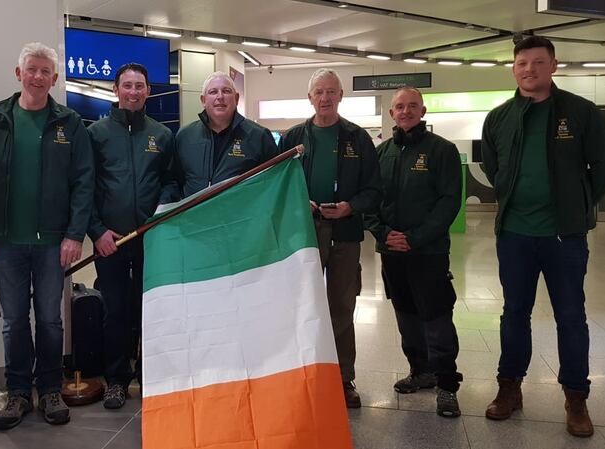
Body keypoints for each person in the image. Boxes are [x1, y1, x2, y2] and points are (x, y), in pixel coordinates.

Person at [481, 36, 605, 437]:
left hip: (565, 237)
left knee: (571, 318)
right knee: (513, 315)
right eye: (522, 63)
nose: (529, 69)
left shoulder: (580, 112)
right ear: (513, 69)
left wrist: (578, 202)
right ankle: (510, 388)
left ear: (554, 66)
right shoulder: (500, 118)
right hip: (514, 235)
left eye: (538, 62)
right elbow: (494, 167)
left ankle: (576, 398)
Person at [0, 42, 94, 430]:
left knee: (51, 321)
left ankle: (50, 389)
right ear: (19, 74)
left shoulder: (69, 123)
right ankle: (18, 392)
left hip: (54, 242)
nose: (38, 77)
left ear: (54, 78)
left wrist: (75, 235)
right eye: (31, 70)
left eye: (45, 72)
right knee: (14, 320)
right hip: (6, 240)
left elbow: (83, 182)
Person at [280, 68, 382, 408]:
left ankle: (342, 378)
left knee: (341, 305)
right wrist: (300, 203)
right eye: (318, 93)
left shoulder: (357, 138)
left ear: (340, 96)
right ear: (310, 98)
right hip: (304, 234)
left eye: (331, 92)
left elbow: (374, 188)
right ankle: (301, 373)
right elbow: (277, 184)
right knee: (300, 306)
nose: (325, 98)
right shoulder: (293, 137)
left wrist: (350, 206)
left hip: (345, 233)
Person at [365, 87, 463, 417]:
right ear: (391, 114)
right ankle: (420, 371)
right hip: (392, 253)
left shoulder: (442, 151)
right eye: (399, 107)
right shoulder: (381, 154)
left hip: (429, 253)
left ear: (423, 110)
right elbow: (370, 200)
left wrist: (416, 238)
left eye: (411, 106)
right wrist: (382, 233)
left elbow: (449, 202)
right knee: (406, 316)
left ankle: (447, 385)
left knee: (436, 318)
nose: (405, 111)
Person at [87, 63, 174, 409]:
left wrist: (161, 212)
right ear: (116, 89)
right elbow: (85, 187)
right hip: (110, 241)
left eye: (140, 85)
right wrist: (96, 231)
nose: (134, 91)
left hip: (150, 238)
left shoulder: (162, 135)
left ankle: (150, 376)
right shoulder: (96, 134)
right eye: (127, 85)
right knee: (115, 310)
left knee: (149, 309)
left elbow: (171, 180)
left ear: (148, 91)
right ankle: (117, 380)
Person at [173, 71, 278, 198]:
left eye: (226, 91)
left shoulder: (259, 136)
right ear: (203, 100)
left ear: (237, 98)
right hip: (193, 216)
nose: (220, 97)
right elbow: (175, 182)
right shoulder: (185, 136)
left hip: (240, 216)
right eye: (213, 92)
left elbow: (273, 183)